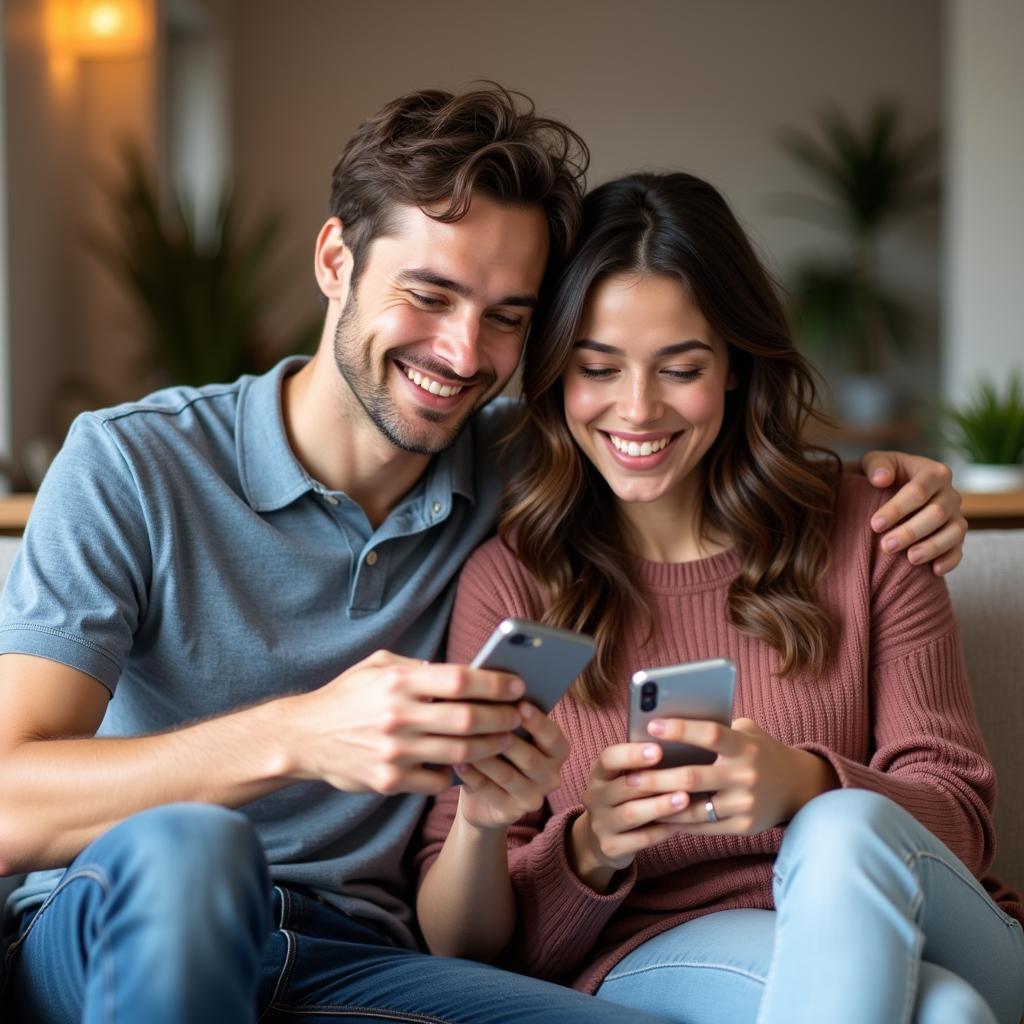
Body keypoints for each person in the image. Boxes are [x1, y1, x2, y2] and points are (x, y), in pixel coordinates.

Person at [0, 84, 965, 1024]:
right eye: (429, 295)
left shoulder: (520, 465)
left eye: (507, 315)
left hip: (356, 957)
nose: (463, 354)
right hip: (128, 915)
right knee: (195, 850)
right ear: (336, 259)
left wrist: (884, 484)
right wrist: (298, 734)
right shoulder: (132, 461)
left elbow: (663, 434)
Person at [416, 171, 1024, 1024]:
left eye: (681, 368)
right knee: (949, 1017)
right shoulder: (514, 583)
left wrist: (802, 785)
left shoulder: (874, 530)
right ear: (554, 376)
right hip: (678, 954)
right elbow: (467, 948)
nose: (636, 409)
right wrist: (592, 846)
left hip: (944, 924)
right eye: (597, 368)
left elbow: (958, 823)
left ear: (735, 364)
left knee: (841, 828)